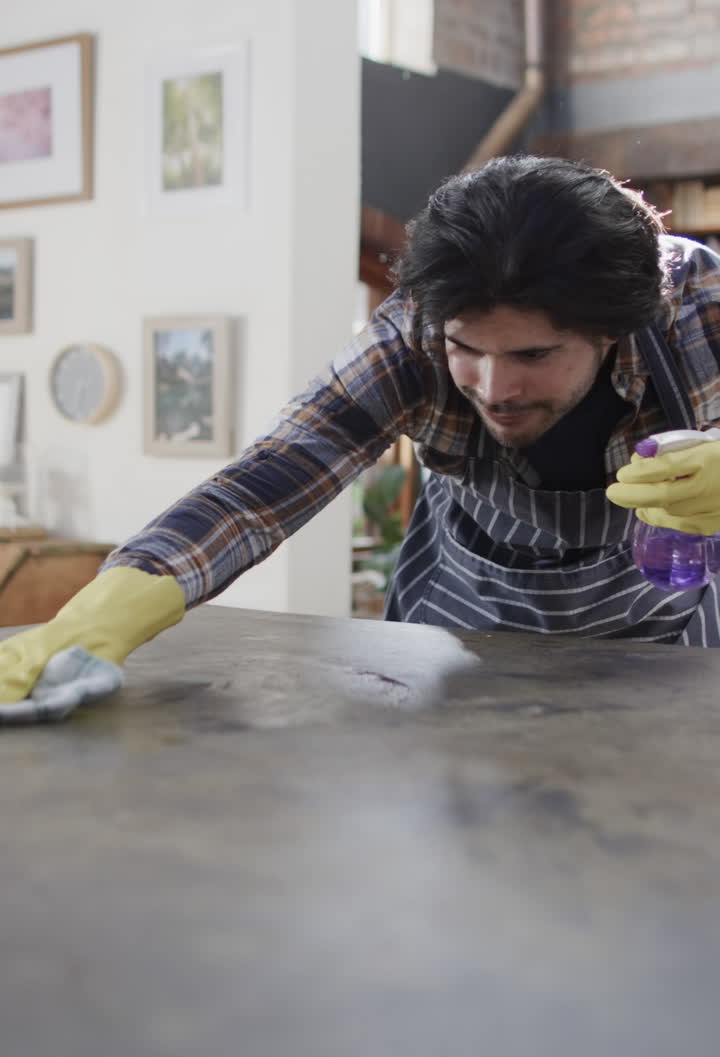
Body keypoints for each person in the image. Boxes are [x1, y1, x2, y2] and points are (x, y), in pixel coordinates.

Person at [3, 154, 720, 715]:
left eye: (533, 355)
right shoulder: (413, 329)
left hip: (655, 649)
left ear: (611, 329)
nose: (495, 389)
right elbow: (274, 476)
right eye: (467, 348)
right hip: (455, 638)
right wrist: (121, 596)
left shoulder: (701, 310)